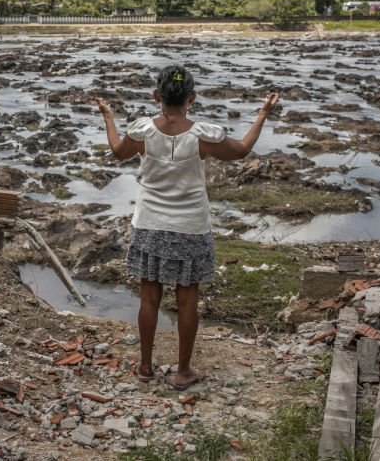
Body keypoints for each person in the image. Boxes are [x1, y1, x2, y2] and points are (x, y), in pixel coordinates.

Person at [95, 64, 278, 390]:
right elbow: (242, 150)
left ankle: (145, 367)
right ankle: (182, 372)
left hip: (150, 225)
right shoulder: (203, 136)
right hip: (191, 228)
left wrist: (108, 117)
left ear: (156, 96)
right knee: (187, 301)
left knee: (149, 299)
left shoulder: (142, 132)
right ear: (192, 97)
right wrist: (263, 113)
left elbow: (117, 152)